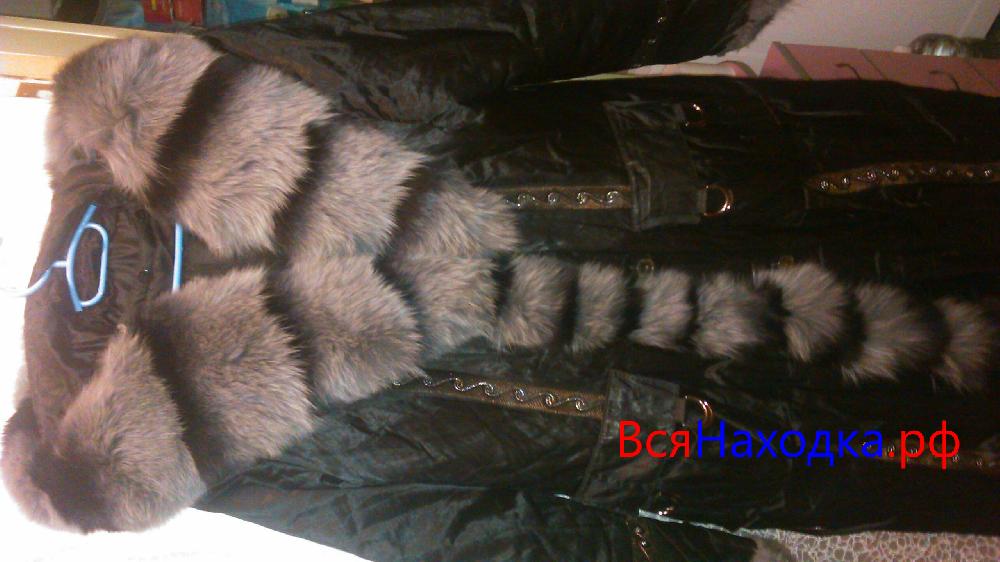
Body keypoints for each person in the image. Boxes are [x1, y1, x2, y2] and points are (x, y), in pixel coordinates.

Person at [4, 2, 998, 560]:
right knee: (942, 201)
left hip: (687, 421)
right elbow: (492, 28)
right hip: (703, 186)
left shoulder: (143, 446)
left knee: (936, 432)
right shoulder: (153, 110)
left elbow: (460, 538)